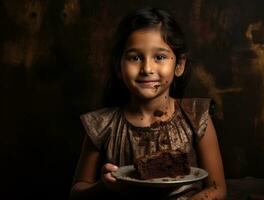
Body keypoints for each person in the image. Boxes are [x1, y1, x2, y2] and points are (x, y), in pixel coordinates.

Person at [70, 6, 226, 200]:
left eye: (159, 57)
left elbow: (217, 188)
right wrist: (104, 186)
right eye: (135, 58)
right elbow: (76, 194)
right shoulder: (101, 126)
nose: (147, 68)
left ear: (179, 65)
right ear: (119, 66)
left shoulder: (196, 117)